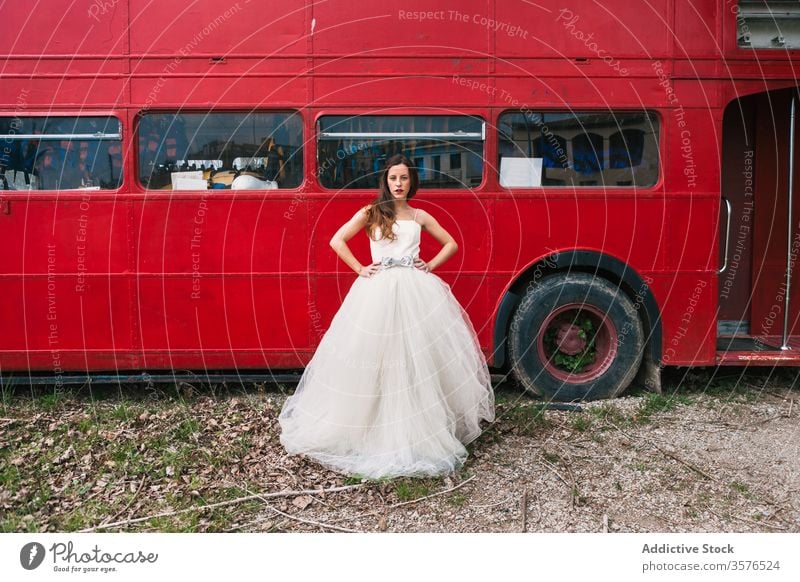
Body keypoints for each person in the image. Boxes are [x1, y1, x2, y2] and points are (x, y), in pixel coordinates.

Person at [278, 154, 495, 479]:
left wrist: (430, 265)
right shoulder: (371, 212)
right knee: (373, 356)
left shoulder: (419, 215)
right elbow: (336, 239)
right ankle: (371, 424)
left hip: (415, 290)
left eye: (404, 178)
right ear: (386, 181)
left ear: (411, 182)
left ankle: (418, 427)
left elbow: (451, 243)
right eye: (394, 178)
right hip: (377, 291)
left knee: (414, 356)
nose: (398, 184)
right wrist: (360, 269)